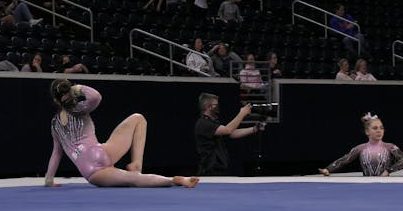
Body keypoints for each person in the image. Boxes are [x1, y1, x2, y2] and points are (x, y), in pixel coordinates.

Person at [45, 79, 200, 188]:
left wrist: (49, 179)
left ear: (55, 99)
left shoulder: (55, 124)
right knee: (138, 119)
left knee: (133, 178)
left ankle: (168, 178)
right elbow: (96, 96)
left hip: (93, 168)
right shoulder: (79, 109)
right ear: (70, 93)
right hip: (102, 154)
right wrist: (77, 87)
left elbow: (56, 153)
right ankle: (148, 168)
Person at [195, 93, 264, 176]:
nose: (218, 107)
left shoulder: (212, 122)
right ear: (207, 106)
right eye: (215, 105)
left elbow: (232, 133)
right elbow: (228, 130)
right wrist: (242, 113)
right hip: (210, 169)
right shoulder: (203, 123)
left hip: (219, 167)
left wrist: (254, 129)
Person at [319, 113, 403, 176]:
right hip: (366, 185)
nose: (379, 131)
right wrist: (328, 169)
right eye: (375, 128)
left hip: (386, 184)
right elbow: (344, 160)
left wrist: (388, 171)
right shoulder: (360, 148)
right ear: (367, 132)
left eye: (381, 128)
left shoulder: (390, 147)